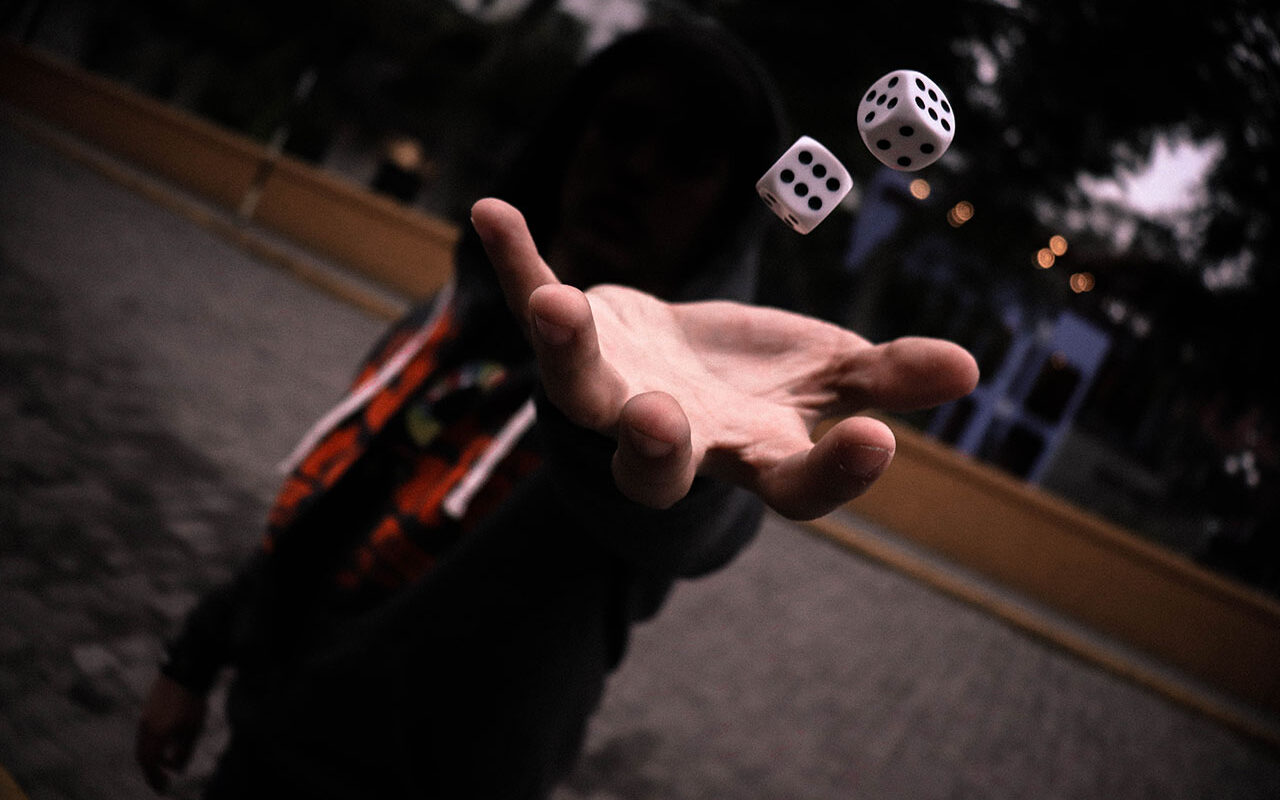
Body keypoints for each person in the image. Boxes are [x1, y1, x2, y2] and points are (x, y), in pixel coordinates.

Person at [136, 22, 979, 799]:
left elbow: (682, 516)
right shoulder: (447, 315)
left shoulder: (696, 401)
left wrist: (659, 446)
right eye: (621, 127)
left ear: (729, 205)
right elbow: (327, 509)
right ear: (571, 136)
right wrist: (198, 653)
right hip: (260, 748)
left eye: (688, 156)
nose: (639, 167)